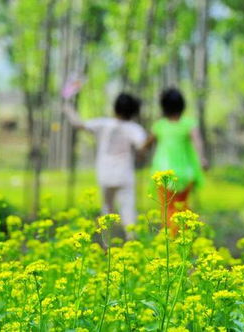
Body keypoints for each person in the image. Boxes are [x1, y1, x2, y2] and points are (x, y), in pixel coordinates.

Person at [63, 93, 147, 238]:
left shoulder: (103, 123)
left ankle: (107, 242)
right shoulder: (135, 128)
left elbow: (78, 124)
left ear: (115, 108)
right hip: (124, 174)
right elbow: (142, 147)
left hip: (105, 174)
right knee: (128, 209)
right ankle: (132, 240)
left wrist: (68, 107)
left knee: (107, 209)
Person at [146, 87, 208, 236]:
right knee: (182, 207)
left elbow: (147, 144)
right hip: (185, 173)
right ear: (182, 105)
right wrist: (202, 159)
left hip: (162, 174)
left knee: (167, 208)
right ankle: (183, 239)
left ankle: (171, 240)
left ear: (163, 107)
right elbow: (197, 142)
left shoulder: (160, 125)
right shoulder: (189, 123)